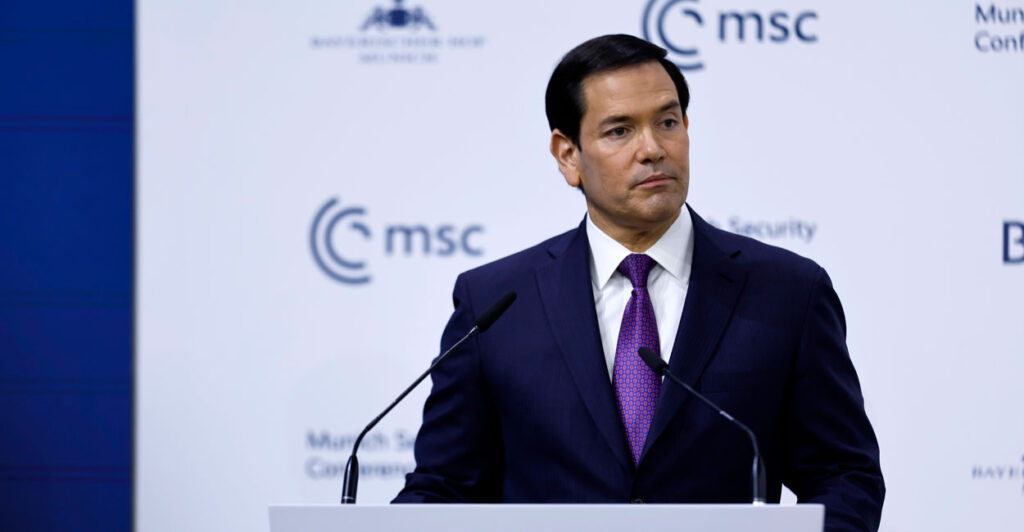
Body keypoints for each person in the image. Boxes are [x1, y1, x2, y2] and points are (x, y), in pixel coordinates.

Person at [393, 34, 884, 532]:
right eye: (619, 131)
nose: (652, 149)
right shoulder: (496, 303)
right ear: (567, 155)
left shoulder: (787, 292)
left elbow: (844, 474)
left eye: (668, 123)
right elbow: (444, 488)